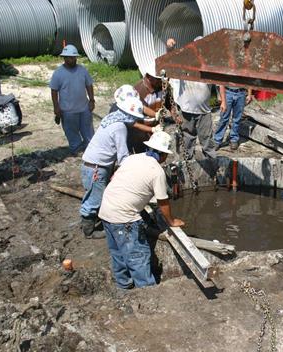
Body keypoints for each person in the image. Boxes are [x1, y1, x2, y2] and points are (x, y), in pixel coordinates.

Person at [99, 131, 185, 289]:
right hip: (124, 219)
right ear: (163, 155)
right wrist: (171, 221)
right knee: (138, 256)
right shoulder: (156, 171)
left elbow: (114, 179)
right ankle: (147, 293)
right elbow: (163, 202)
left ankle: (124, 287)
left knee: (118, 253)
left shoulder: (132, 158)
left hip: (106, 209)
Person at [80, 91, 153, 239]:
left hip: (96, 164)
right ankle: (88, 230)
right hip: (96, 167)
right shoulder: (119, 127)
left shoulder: (112, 118)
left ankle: (94, 219)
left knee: (98, 194)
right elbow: (123, 157)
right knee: (95, 198)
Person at [174, 37, 218, 160]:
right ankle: (185, 162)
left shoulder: (209, 64)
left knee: (207, 139)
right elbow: (168, 63)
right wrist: (170, 48)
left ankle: (211, 163)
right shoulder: (185, 62)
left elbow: (220, 82)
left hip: (204, 110)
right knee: (187, 138)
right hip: (187, 108)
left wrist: (223, 100)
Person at [50, 44, 95, 155]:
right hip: (68, 111)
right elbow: (54, 91)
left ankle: (91, 150)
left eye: (74, 57)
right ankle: (76, 150)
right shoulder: (58, 73)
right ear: (64, 58)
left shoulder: (82, 70)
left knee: (88, 132)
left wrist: (92, 100)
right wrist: (56, 107)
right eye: (70, 57)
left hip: (84, 108)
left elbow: (89, 85)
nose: (72, 59)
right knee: (72, 133)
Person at [213, 85, 253, 151]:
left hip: (241, 93)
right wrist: (222, 98)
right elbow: (221, 82)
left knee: (237, 118)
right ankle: (217, 140)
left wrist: (249, 94)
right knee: (224, 118)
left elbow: (250, 79)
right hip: (228, 92)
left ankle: (234, 139)